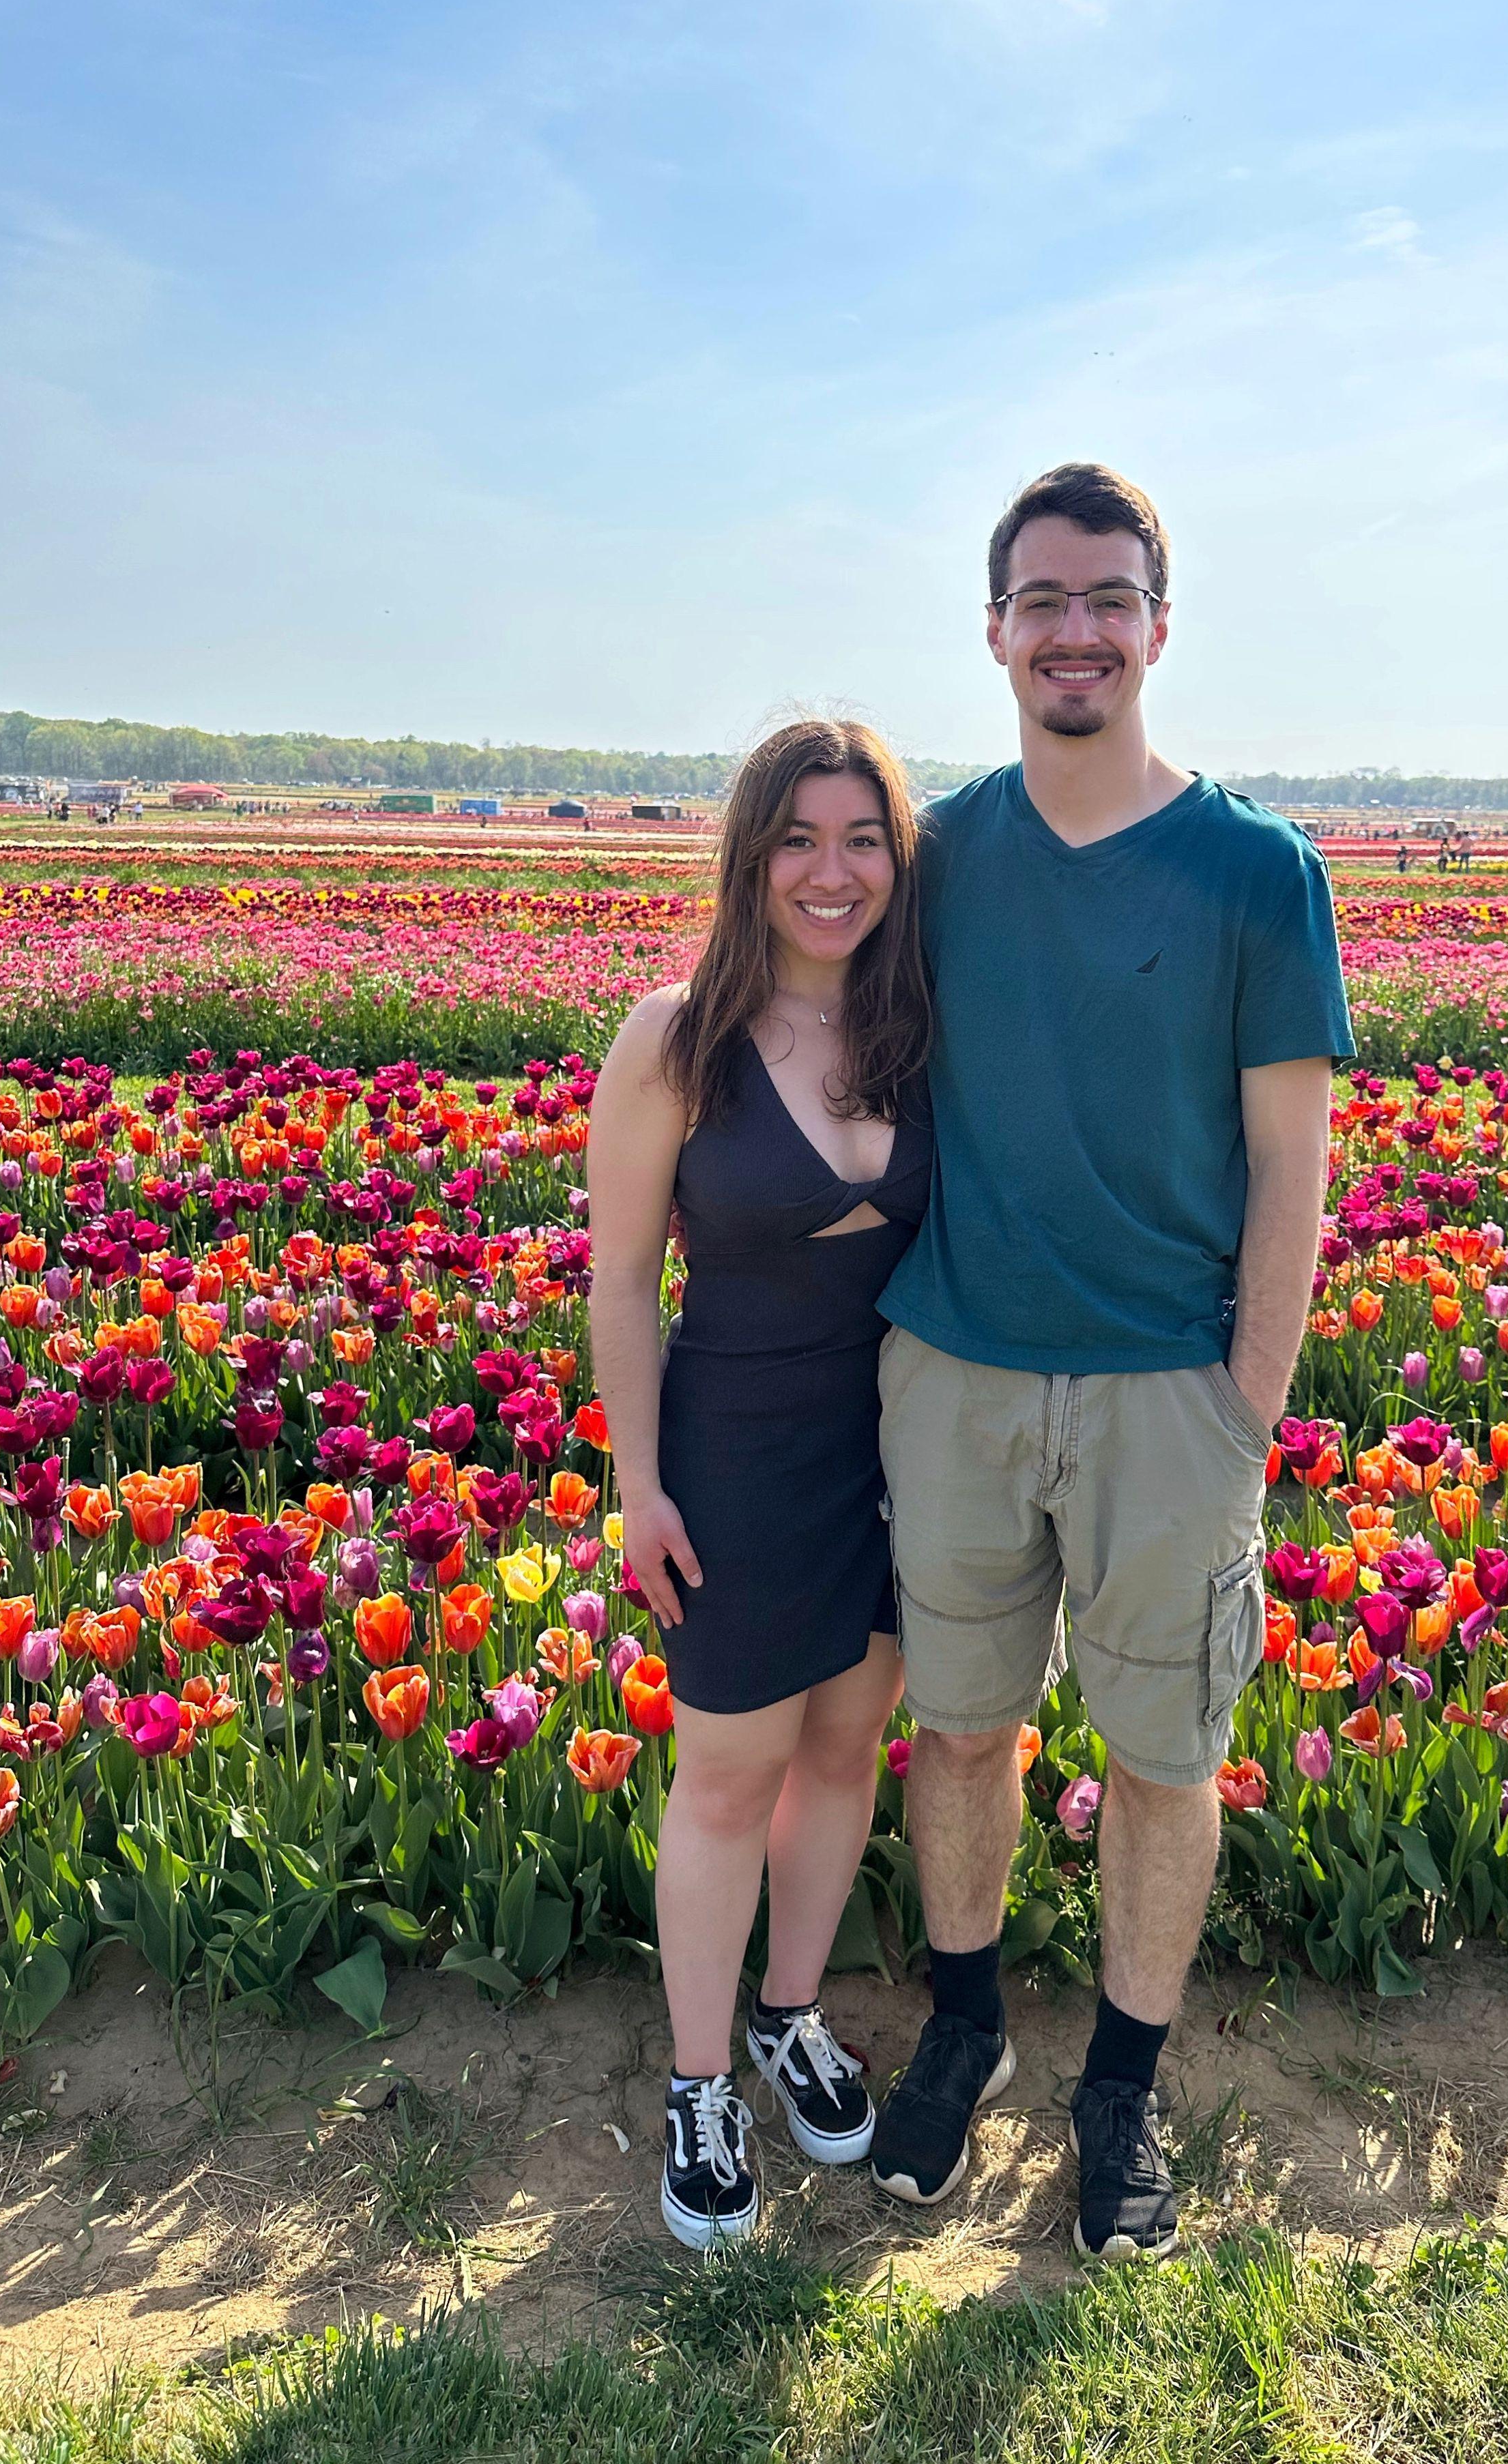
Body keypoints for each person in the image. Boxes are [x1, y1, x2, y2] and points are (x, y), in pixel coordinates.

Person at [866, 462, 1352, 2261]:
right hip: (959, 1370)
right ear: (995, 630)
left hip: (1169, 1396)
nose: (1077, 630)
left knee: (1163, 1753)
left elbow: (1293, 1161)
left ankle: (1122, 2089)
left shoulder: (1253, 871)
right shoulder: (941, 861)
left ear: (1161, 620)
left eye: (1110, 596)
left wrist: (1248, 1407)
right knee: (962, 1726)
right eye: (1043, 599)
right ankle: (971, 2024)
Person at [585, 719, 934, 2251]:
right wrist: (638, 1483)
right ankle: (700, 2078)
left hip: (900, 1450)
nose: (829, 868)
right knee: (728, 1770)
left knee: (846, 1747)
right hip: (732, 1450)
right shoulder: (673, 1037)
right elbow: (613, 1286)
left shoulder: (920, 1028)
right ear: (749, 853)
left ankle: (792, 2010)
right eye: (797, 836)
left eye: (861, 836)